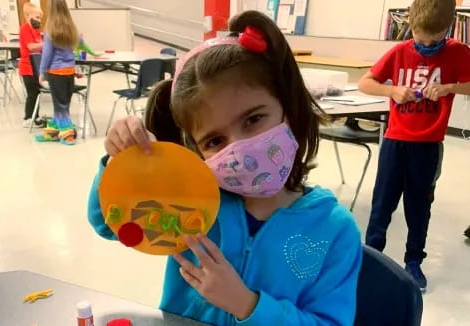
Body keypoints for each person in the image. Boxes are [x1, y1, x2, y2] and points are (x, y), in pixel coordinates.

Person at [88, 10, 362, 325]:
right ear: (196, 151)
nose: (240, 148)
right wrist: (119, 162)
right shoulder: (189, 201)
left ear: (289, 107)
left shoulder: (333, 228)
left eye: (253, 119)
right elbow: (110, 224)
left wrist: (247, 305)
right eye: (215, 141)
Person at [359, 0, 470, 292]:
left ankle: (413, 262)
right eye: (420, 38)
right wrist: (392, 90)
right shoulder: (399, 52)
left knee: (418, 207)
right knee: (382, 203)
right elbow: (366, 82)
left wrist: (449, 88)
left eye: (433, 41)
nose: (425, 46)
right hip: (395, 142)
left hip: (428, 147)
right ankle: (370, 256)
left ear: (447, 28)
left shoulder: (458, 53)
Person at [37, 0, 78, 145]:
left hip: (56, 72)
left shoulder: (50, 29)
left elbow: (46, 54)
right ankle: (52, 133)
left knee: (60, 106)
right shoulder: (71, 29)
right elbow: (73, 50)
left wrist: (42, 72)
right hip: (69, 72)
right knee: (62, 104)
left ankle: (68, 135)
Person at [19, 2, 46, 128]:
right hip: (27, 68)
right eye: (37, 17)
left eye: (40, 18)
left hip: (35, 68)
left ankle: (36, 116)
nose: (39, 20)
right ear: (28, 16)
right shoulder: (25, 29)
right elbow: (31, 47)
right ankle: (28, 117)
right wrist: (45, 44)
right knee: (32, 93)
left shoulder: (35, 31)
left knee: (37, 92)